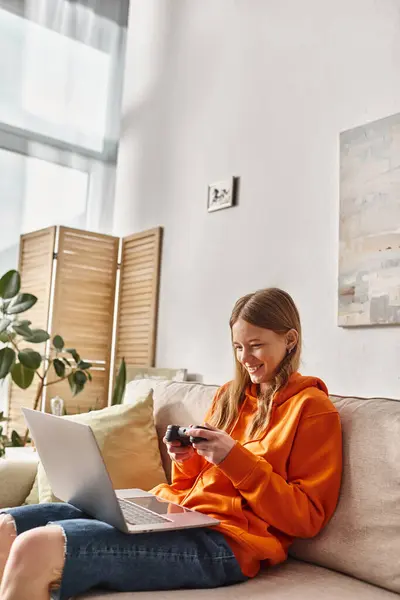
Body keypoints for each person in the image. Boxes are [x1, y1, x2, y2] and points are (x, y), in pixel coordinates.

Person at [0, 288, 342, 600]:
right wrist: (187, 458)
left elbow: (307, 519)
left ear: (290, 340)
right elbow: (190, 484)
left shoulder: (312, 409)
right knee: (5, 527)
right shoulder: (230, 397)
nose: (245, 358)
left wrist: (233, 459)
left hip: (226, 544)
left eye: (256, 345)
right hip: (178, 514)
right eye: (238, 347)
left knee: (37, 546)